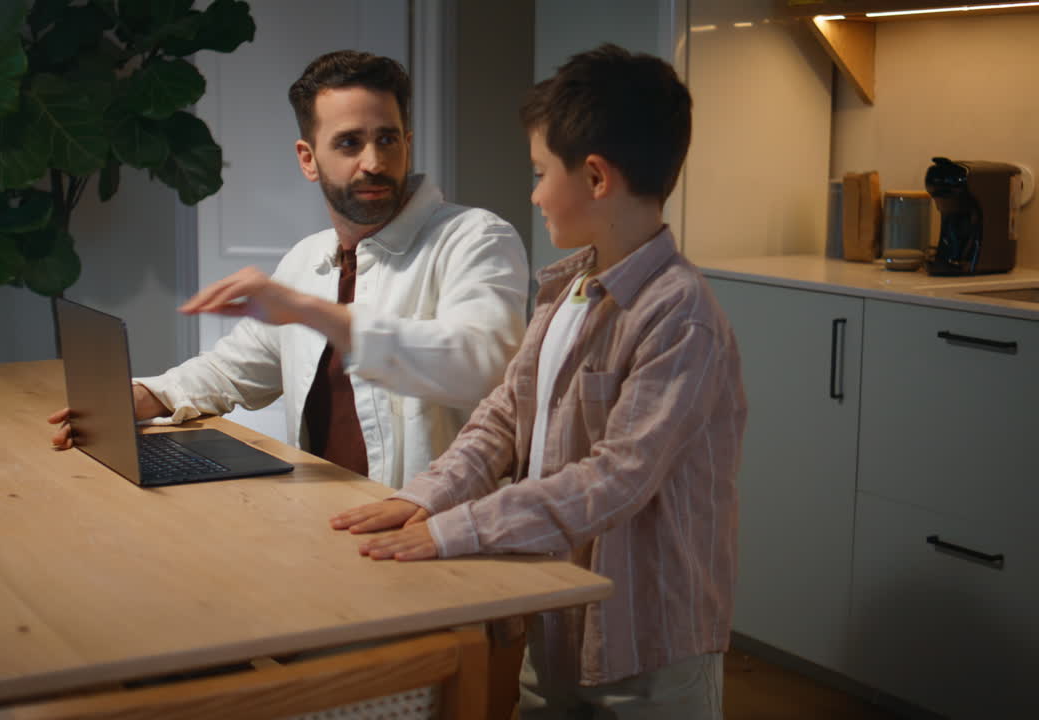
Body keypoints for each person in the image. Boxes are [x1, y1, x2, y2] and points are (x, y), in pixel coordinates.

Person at [330, 44, 747, 719]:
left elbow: (615, 479)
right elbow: (503, 413)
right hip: (557, 619)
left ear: (595, 177)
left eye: (538, 172)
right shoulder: (570, 288)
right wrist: (428, 498)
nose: (532, 192)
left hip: (648, 649)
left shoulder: (681, 316)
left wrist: (457, 529)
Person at [49, 50, 529, 489]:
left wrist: (312, 312)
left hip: (433, 531)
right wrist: (141, 397)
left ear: (407, 142)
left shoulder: (476, 237)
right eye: (349, 143)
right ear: (308, 159)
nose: (374, 162)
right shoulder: (307, 258)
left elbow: (484, 365)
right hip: (322, 519)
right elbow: (235, 369)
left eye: (387, 139)